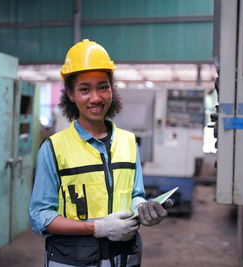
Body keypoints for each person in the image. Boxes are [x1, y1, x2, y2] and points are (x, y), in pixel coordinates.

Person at [29, 39, 173, 267]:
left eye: (103, 87)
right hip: (73, 259)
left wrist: (144, 209)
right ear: (71, 95)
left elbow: (134, 194)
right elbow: (40, 218)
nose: (96, 98)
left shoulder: (128, 142)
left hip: (124, 257)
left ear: (112, 90)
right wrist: (97, 227)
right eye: (84, 89)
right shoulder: (54, 148)